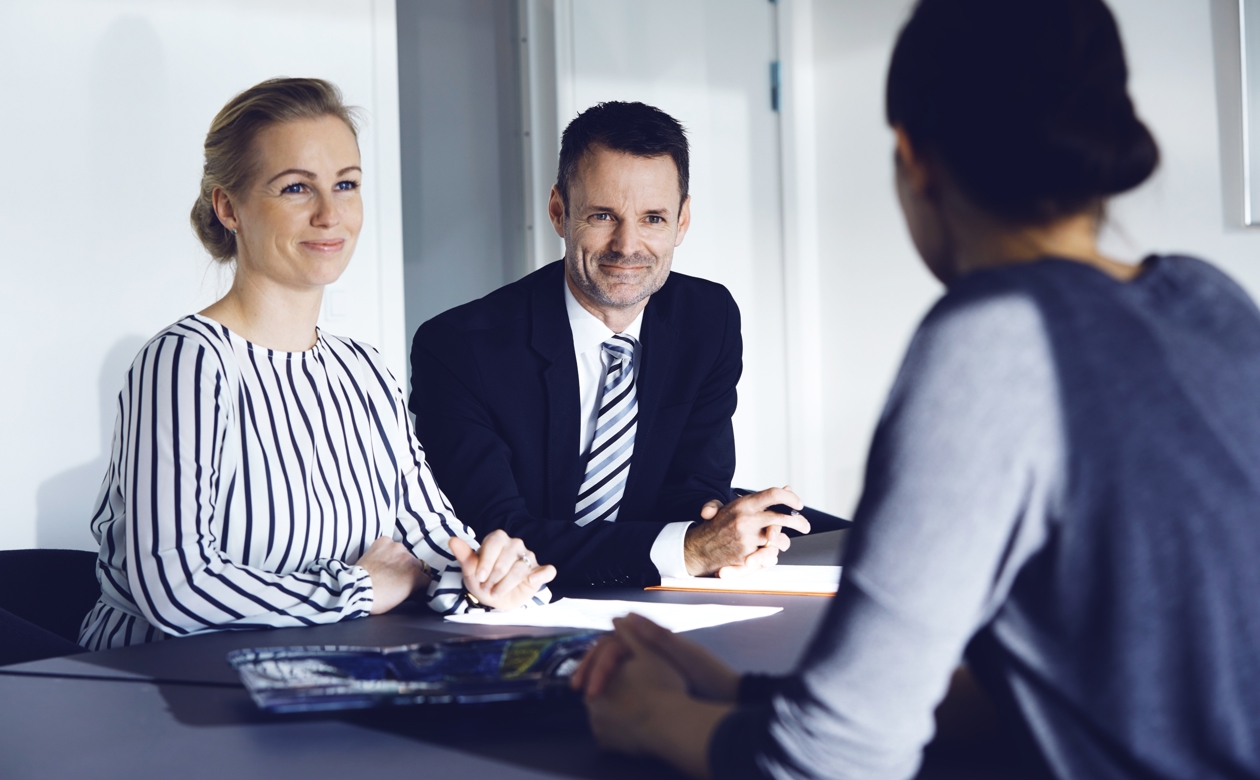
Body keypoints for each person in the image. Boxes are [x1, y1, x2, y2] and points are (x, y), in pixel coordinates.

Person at [572, 0, 1260, 778]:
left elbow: (832, 765)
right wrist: (744, 696)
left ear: (914, 158)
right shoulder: (1211, 302)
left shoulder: (991, 338)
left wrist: (650, 718)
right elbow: (1088, 684)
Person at [79, 78, 554, 651]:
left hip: (321, 672)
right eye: (296, 188)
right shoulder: (187, 362)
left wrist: (491, 578)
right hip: (166, 683)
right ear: (229, 207)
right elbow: (177, 589)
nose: (331, 214)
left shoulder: (363, 371)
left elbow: (431, 541)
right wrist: (358, 588)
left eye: (346, 184)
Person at [409, 101, 809, 591]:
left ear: (682, 221)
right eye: (603, 215)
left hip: (657, 592)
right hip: (524, 602)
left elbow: (695, 487)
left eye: (653, 218)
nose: (627, 246)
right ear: (559, 211)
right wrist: (690, 549)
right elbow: (498, 535)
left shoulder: (708, 318)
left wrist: (728, 532)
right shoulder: (459, 349)